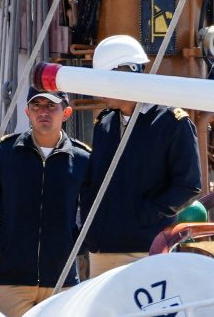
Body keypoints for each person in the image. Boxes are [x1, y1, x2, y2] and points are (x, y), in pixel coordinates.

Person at [81, 34, 202, 277]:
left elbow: (188, 185)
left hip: (146, 249)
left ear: (123, 75)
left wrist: (143, 215)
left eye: (102, 79)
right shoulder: (104, 124)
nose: (97, 89)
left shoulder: (172, 123)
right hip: (101, 249)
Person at [0, 87, 89, 317]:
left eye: (51, 106)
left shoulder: (83, 159)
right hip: (12, 280)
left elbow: (97, 211)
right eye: (36, 105)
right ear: (27, 111)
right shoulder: (5, 153)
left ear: (66, 113)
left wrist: (76, 246)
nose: (43, 111)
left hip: (61, 280)